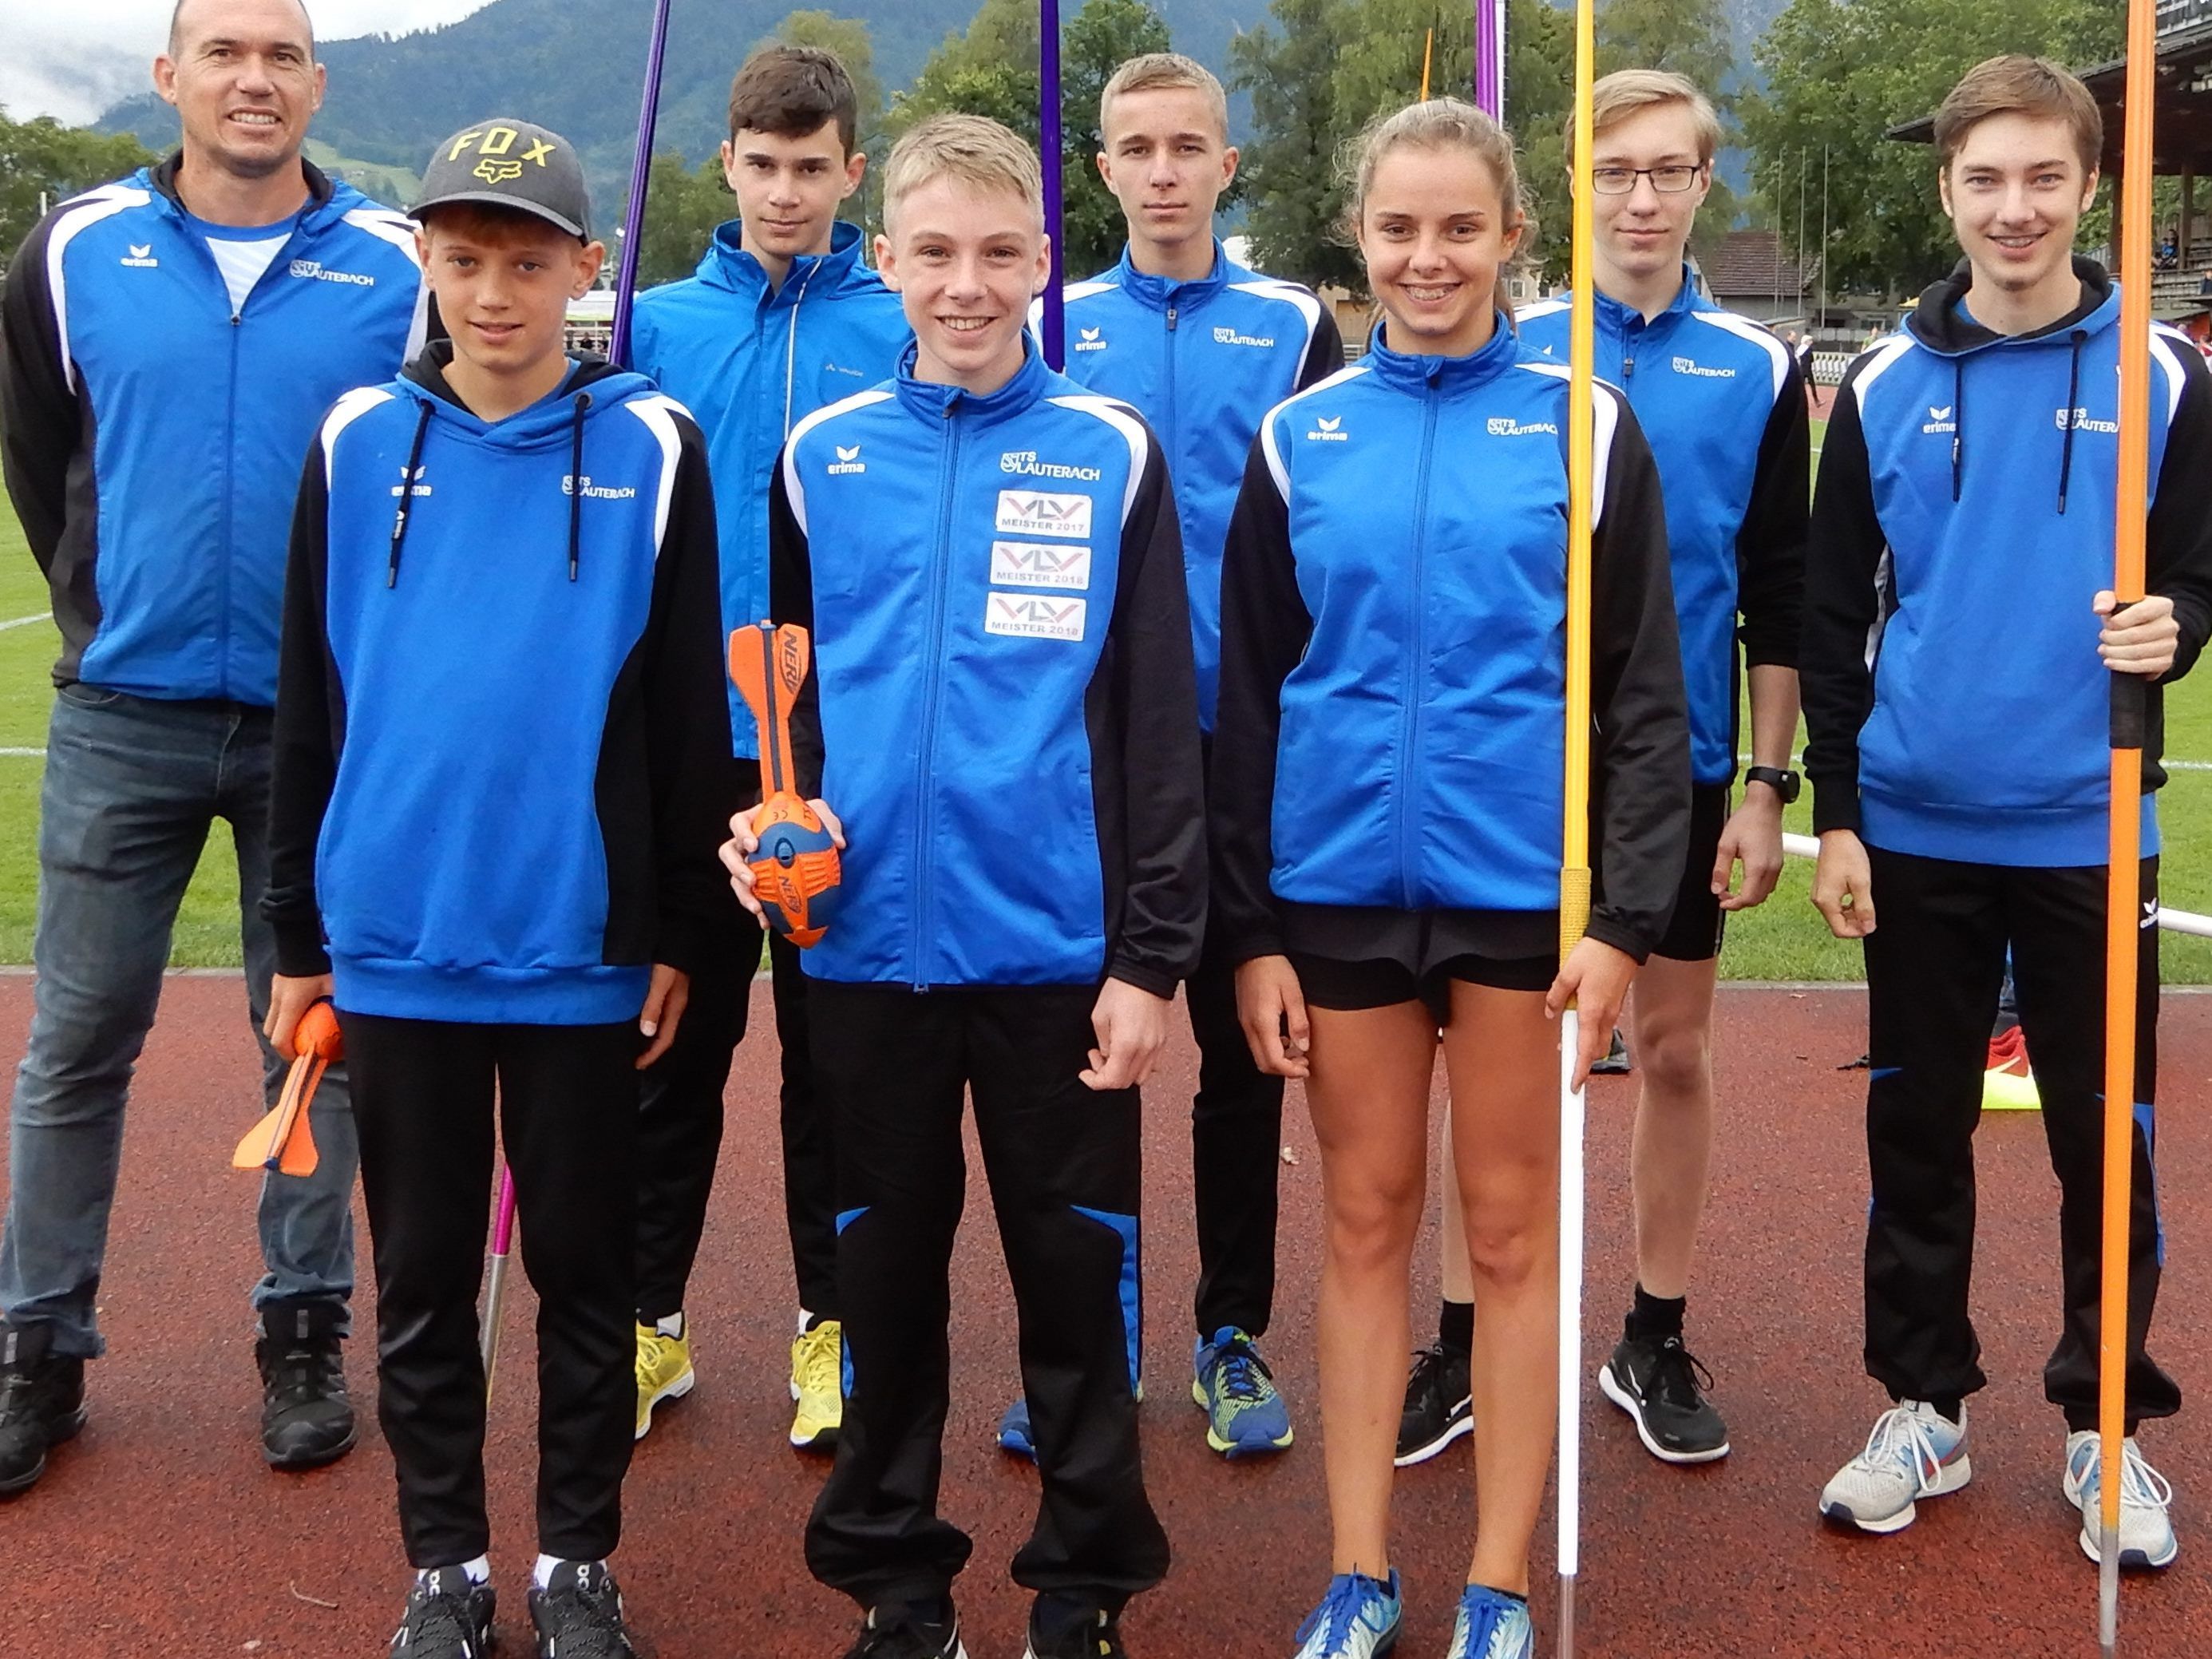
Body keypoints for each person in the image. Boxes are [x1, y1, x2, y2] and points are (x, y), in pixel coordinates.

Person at [1212, 98, 1688, 1659]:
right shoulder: (1305, 437)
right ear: (1364, 234)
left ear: (1509, 242)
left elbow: (1639, 695)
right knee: (1360, 1222)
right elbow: (1256, 696)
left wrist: (1622, 921)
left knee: (1505, 1238)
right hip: (1336, 895)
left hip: (1515, 907)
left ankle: (1492, 1579)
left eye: (1460, 227)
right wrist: (1254, 932)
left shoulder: (1586, 428)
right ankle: (1359, 1572)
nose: (1429, 256)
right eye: (1401, 227)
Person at [725, 112, 1202, 1659]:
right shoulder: (820, 458)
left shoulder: (1111, 451)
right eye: (935, 251)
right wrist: (766, 829)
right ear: (888, 261)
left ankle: (1083, 1582)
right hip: (859, 955)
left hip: (1056, 950)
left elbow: (1152, 728)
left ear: (1043, 264)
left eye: (1000, 253)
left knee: (1075, 1283)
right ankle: (896, 1580)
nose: (968, 283)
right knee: (884, 1282)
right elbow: (782, 708)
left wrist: (1150, 955)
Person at [263, 118, 732, 1657]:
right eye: (461, 261)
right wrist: (294, 938)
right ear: (428, 268)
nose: (493, 294)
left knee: (585, 1279)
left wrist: (676, 928)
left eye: (527, 262)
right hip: (394, 944)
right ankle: (446, 1565)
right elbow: (308, 709)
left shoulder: (657, 445)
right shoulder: (351, 443)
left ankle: (576, 1560)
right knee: (419, 1283)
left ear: (586, 271)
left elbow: (682, 712)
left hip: (578, 947)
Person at [0, 0, 423, 1494]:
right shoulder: (71, 251)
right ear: (169, 76)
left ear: (316, 81)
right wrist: (109, 609)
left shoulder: (392, 264)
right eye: (225, 52)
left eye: (283, 53)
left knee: (312, 1045)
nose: (255, 78)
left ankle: (301, 1330)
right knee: (73, 1046)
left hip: (325, 726)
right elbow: (45, 458)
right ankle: (36, 1341)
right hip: (125, 715)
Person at [1803, 55, 2212, 1570]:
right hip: (1916, 822)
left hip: (2091, 823)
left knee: (2108, 1142)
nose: (2015, 206)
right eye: (1987, 178)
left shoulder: (2165, 375)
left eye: (2045, 177)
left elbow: (2203, 570)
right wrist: (1835, 811)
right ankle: (1924, 1402)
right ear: (1948, 191)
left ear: (2091, 187)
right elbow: (1837, 602)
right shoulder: (1887, 389)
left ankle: (2106, 1422)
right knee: (1918, 1126)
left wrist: (2181, 621)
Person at [1402, 69, 1806, 1471]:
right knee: (1484, 1062)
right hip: (1515, 767)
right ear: (1572, 193)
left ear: (1706, 183)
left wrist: (1764, 784)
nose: (1641, 198)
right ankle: (1457, 1341)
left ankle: (1652, 1328)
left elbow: (1780, 586)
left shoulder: (1757, 368)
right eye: (1614, 171)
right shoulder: (1512, 350)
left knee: (1674, 1049)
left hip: (1678, 768)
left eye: (1669, 171)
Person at [997, 49, 1342, 1465]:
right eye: (1134, 148)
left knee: (1240, 1055)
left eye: (1186, 147)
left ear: (1225, 165)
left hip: (1248, 745)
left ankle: (1228, 1328)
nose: (1159, 172)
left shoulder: (1291, 322)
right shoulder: (1051, 317)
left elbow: (1328, 514)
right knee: (1098, 1051)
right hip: (1091, 755)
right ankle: (1105, 1331)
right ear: (1101, 167)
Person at [629, 43, 909, 1454]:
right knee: (671, 1045)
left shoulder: (900, 314)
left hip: (844, 754)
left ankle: (831, 1322)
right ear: (726, 163)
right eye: (763, 164)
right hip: (692, 752)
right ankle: (646, 1322)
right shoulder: (655, 322)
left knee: (832, 1059)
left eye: (814, 166)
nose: (787, 191)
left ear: (852, 170)